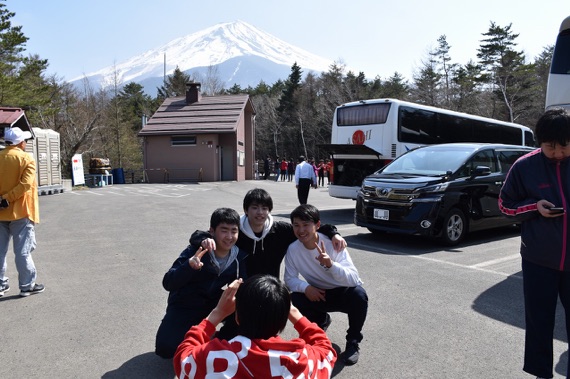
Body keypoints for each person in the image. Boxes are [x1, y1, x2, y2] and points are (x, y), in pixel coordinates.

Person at [498, 108, 570, 379]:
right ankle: (541, 373)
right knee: (539, 321)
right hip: (538, 259)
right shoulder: (525, 166)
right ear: (540, 143)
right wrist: (533, 207)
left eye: (564, 146)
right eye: (551, 147)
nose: (558, 153)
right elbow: (505, 204)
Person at [174, 275, 337, 379]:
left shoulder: (213, 356)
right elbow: (326, 349)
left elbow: (183, 357)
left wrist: (217, 313)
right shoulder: (301, 359)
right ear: (283, 320)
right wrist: (295, 313)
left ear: (237, 317)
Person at [191, 188, 346, 279]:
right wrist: (204, 240)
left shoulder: (280, 230)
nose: (260, 212)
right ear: (246, 209)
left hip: (271, 287)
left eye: (264, 208)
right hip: (243, 287)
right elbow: (200, 234)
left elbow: (309, 227)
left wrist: (334, 234)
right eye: (255, 207)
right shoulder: (235, 230)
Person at [155, 207, 248, 359]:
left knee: (243, 312)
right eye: (224, 230)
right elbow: (168, 282)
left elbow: (243, 285)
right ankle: (187, 332)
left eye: (234, 231)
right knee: (165, 349)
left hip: (212, 302)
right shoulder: (196, 250)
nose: (229, 236)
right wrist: (189, 267)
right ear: (211, 231)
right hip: (185, 304)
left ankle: (217, 340)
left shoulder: (238, 257)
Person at [284, 204, 368, 365]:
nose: (301, 230)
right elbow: (289, 279)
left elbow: (353, 279)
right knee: (295, 298)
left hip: (343, 292)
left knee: (359, 295)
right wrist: (306, 288)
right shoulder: (293, 249)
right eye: (296, 225)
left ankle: (353, 343)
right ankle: (319, 323)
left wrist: (331, 265)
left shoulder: (333, 244)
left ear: (317, 225)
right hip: (318, 293)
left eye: (306, 225)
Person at [0, 127, 45, 297]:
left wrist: (1, 199)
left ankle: (0, 285)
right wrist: (7, 198)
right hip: (21, 211)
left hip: (0, 212)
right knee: (23, 251)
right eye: (24, 140)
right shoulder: (26, 159)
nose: (25, 143)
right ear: (20, 142)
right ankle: (27, 285)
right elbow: (25, 184)